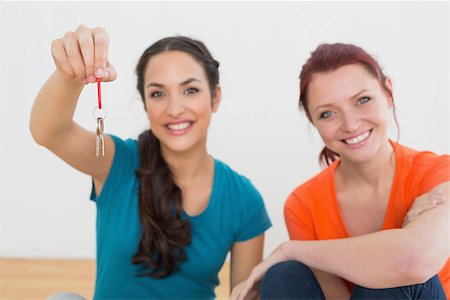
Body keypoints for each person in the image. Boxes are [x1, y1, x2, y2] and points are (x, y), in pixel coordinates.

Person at [30, 25, 272, 299]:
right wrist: (70, 73)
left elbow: (245, 295)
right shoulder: (116, 163)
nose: (175, 108)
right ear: (145, 103)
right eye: (158, 94)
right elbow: (49, 132)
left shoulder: (244, 200)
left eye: (190, 90)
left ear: (215, 97)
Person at [231, 43, 449, 299]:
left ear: (388, 93)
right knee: (283, 274)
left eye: (362, 100)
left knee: (386, 274)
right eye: (328, 114)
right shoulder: (304, 204)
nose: (351, 124)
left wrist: (291, 249)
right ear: (313, 122)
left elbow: (414, 262)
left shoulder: (438, 173)